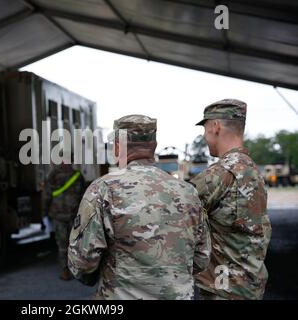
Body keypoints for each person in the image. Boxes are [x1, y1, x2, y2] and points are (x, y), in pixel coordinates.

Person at [68, 115, 211, 299]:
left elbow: (82, 262)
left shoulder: (103, 189)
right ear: (154, 145)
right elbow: (202, 258)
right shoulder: (188, 192)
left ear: (118, 146)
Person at [191, 99, 272, 300]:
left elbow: (176, 209)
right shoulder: (252, 170)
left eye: (205, 130)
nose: (205, 136)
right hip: (249, 286)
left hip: (224, 289)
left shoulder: (221, 173)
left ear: (215, 127)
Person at [46, 160, 85, 280]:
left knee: (62, 244)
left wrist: (45, 210)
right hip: (73, 215)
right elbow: (84, 196)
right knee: (74, 244)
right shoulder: (78, 176)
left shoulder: (53, 175)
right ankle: (76, 270)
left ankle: (65, 270)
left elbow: (47, 195)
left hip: (59, 215)